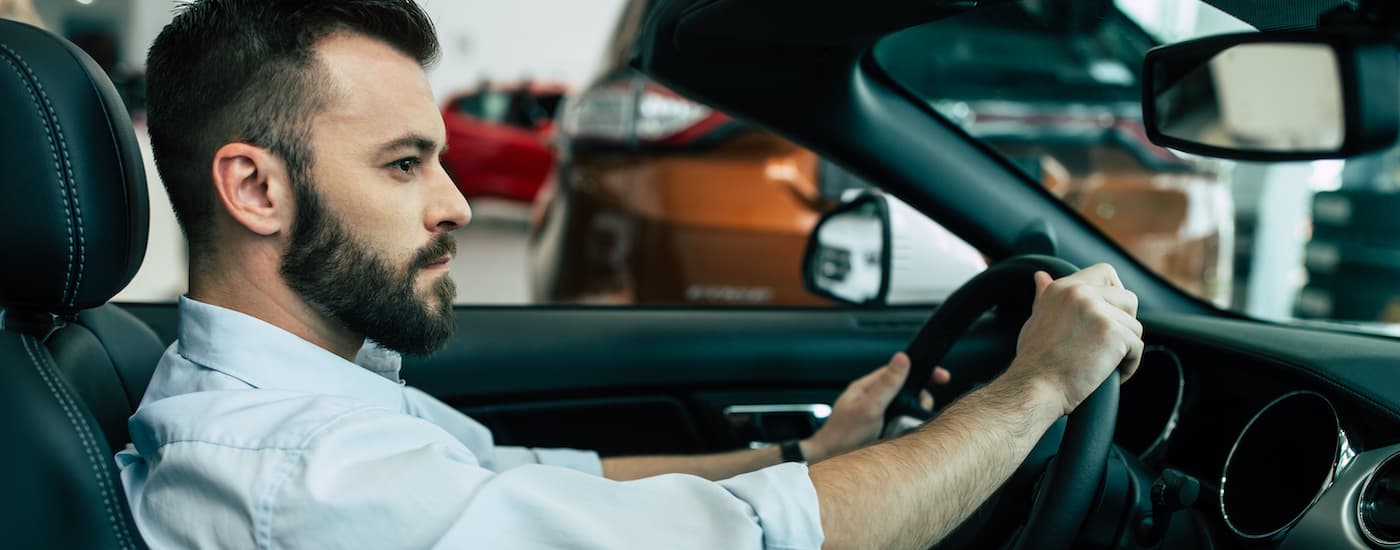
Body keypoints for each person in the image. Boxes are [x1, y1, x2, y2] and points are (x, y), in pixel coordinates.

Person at [117, 1, 1144, 548]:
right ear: (256, 189)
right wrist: (1038, 387)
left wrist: (807, 447)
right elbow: (748, 545)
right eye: (402, 163)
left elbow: (537, 485)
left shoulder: (310, 404)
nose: (457, 203)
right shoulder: (303, 478)